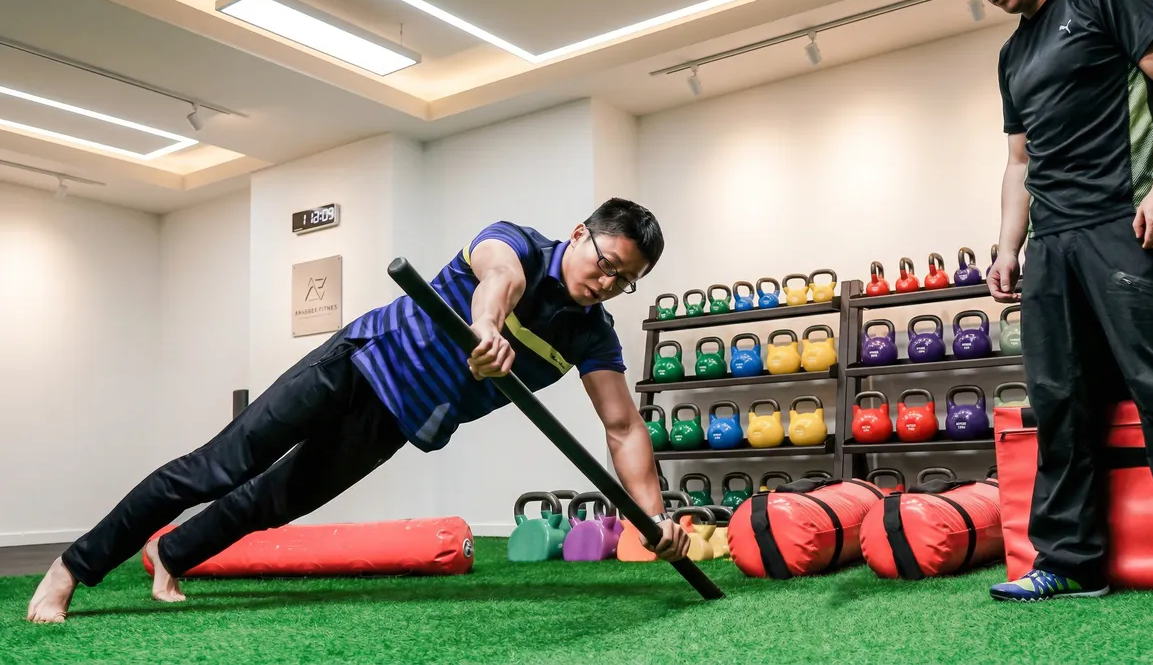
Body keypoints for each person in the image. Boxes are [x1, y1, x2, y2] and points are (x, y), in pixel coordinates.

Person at [27, 197, 690, 623]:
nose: (605, 283)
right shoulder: (515, 241)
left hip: (396, 420)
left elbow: (622, 424)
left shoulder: (592, 333)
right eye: (606, 263)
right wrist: (486, 328)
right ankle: (72, 568)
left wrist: (654, 515)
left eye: (623, 281)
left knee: (277, 500)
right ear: (580, 233)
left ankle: (173, 552)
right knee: (219, 466)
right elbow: (497, 282)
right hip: (354, 365)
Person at [980, 0, 1153, 616]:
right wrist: (1007, 248)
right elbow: (1019, 161)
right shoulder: (1013, 52)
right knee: (1059, 402)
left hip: (1125, 221)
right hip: (1051, 242)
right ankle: (1070, 562)